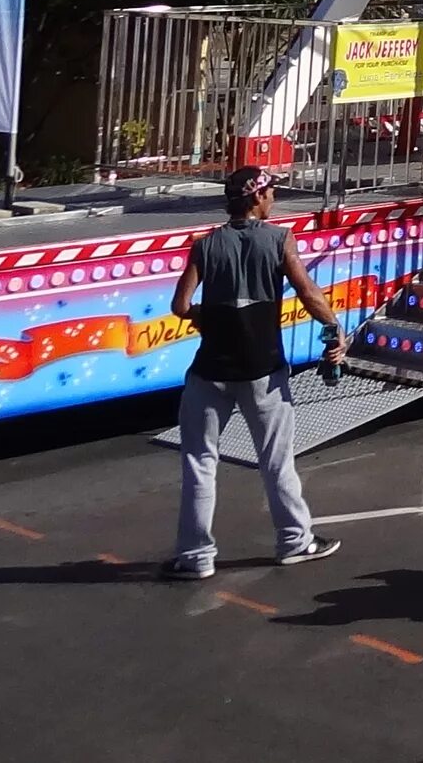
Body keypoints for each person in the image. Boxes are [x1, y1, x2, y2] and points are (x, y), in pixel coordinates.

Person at [161, 166, 345, 579]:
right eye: (272, 191)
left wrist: (203, 318)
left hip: (210, 371)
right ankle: (295, 542)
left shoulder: (205, 246)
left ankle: (195, 557)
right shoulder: (279, 240)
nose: (275, 197)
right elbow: (308, 293)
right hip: (263, 370)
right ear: (257, 198)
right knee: (276, 461)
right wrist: (335, 330)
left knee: (198, 461)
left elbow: (180, 305)